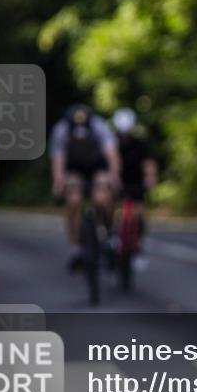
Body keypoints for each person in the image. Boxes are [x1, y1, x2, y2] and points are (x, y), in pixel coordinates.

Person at [49, 103, 121, 271]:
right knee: (73, 201)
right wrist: (58, 182)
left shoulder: (99, 126)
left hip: (97, 166)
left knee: (102, 196)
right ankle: (76, 248)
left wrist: (114, 176)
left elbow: (112, 154)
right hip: (74, 168)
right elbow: (58, 160)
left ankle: (109, 234)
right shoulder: (61, 130)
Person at [112, 107, 158, 270]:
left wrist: (150, 180)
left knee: (138, 213)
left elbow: (148, 164)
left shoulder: (140, 143)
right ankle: (111, 236)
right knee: (110, 207)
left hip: (136, 183)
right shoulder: (110, 142)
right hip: (115, 183)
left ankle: (137, 245)